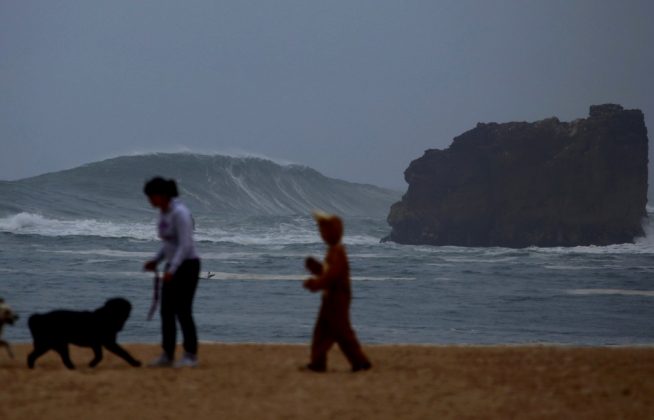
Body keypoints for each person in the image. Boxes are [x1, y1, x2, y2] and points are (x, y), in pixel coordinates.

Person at [303, 212, 372, 372]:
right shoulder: (332, 252)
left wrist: (316, 283)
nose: (322, 234)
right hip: (330, 298)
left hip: (338, 298)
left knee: (342, 333)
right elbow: (328, 273)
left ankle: (360, 362)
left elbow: (333, 275)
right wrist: (316, 268)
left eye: (324, 231)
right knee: (321, 332)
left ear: (334, 232)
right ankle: (318, 362)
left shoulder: (338, 253)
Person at [143, 177, 201, 368]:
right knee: (166, 311)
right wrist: (156, 260)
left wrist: (173, 269)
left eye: (151, 197)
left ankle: (190, 355)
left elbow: (185, 245)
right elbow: (168, 243)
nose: (149, 201)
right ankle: (167, 354)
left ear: (162, 195)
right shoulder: (163, 213)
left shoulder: (180, 213)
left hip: (188, 265)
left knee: (183, 311)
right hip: (172, 266)